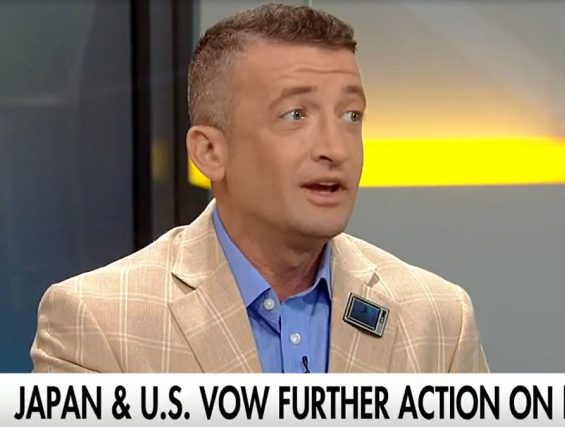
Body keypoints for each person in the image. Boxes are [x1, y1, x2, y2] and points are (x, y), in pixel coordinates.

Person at [31, 4, 488, 373]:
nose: (335, 149)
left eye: (351, 116)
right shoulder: (100, 323)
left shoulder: (438, 321)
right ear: (210, 151)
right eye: (296, 115)